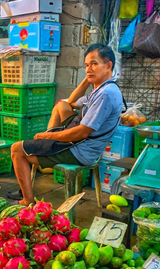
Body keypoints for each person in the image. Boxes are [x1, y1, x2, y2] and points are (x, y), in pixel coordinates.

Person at [9, 44, 124, 206]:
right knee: (61, 106)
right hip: (85, 143)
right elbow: (71, 102)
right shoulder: (103, 88)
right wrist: (88, 78)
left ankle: (27, 200)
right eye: (86, 65)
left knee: (16, 150)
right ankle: (45, 149)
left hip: (81, 150)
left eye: (94, 64)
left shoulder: (105, 94)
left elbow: (81, 133)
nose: (89, 69)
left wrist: (48, 135)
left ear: (108, 65)